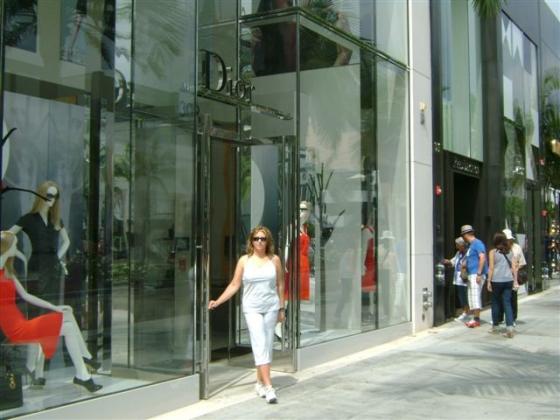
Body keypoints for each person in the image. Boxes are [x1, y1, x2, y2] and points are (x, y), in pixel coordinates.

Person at [0, 231, 101, 392]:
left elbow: (26, 296)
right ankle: (84, 367)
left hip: (20, 322)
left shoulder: (8, 271)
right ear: (7, 247)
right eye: (15, 244)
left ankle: (84, 370)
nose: (17, 247)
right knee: (68, 326)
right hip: (15, 328)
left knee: (66, 313)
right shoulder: (4, 271)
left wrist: (54, 307)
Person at [208, 226, 285, 404]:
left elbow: (280, 284)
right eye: (256, 238)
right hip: (252, 308)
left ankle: (259, 382)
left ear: (268, 241)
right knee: (259, 343)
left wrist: (281, 309)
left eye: (263, 239)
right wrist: (218, 301)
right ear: (251, 241)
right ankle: (269, 386)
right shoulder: (244, 261)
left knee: (267, 345)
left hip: (271, 307)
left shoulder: (274, 260)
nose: (259, 242)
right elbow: (234, 285)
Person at [9, 180, 70, 315]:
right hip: (37, 265)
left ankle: (50, 327)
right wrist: (20, 255)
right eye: (49, 195)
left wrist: (57, 257)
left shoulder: (56, 219)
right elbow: (7, 237)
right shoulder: (28, 219)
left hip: (53, 268)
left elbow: (67, 241)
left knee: (52, 306)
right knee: (36, 305)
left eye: (55, 196)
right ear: (41, 194)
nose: (52, 199)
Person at [487, 232, 519, 338]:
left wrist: (488, 281)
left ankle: (495, 326)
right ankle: (510, 327)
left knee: (495, 303)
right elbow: (514, 267)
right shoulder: (510, 251)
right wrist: (515, 280)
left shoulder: (493, 252)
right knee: (507, 303)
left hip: (496, 280)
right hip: (508, 280)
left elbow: (491, 268)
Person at [460, 225, 488, 328]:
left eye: (463, 235)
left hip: (476, 274)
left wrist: (479, 273)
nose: (463, 237)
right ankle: (475, 318)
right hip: (472, 273)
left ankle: (476, 319)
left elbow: (482, 257)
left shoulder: (477, 243)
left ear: (465, 235)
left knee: (475, 296)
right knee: (472, 296)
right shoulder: (471, 245)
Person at [442, 237, 469, 322]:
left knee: (466, 296)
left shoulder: (469, 253)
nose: (456, 247)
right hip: (458, 278)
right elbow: (453, 262)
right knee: (461, 296)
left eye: (457, 245)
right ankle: (465, 312)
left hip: (465, 278)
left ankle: (467, 313)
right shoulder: (458, 253)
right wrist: (447, 261)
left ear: (462, 245)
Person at [503, 228, 526, 325]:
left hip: (513, 276)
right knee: (503, 298)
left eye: (509, 239)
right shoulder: (500, 248)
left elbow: (522, 262)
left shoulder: (517, 247)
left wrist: (515, 268)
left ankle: (513, 318)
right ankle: (501, 317)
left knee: (513, 297)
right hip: (502, 276)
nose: (508, 241)